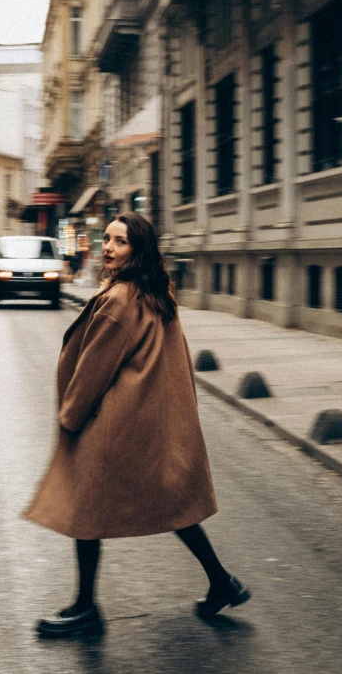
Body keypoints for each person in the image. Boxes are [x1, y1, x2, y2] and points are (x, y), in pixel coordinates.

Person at [24, 212, 251, 638]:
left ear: (137, 249)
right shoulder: (157, 292)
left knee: (84, 509)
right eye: (106, 240)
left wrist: (70, 417)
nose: (108, 248)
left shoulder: (119, 300)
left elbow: (94, 368)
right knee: (175, 506)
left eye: (119, 242)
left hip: (116, 424)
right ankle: (222, 582)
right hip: (150, 422)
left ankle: (86, 607)